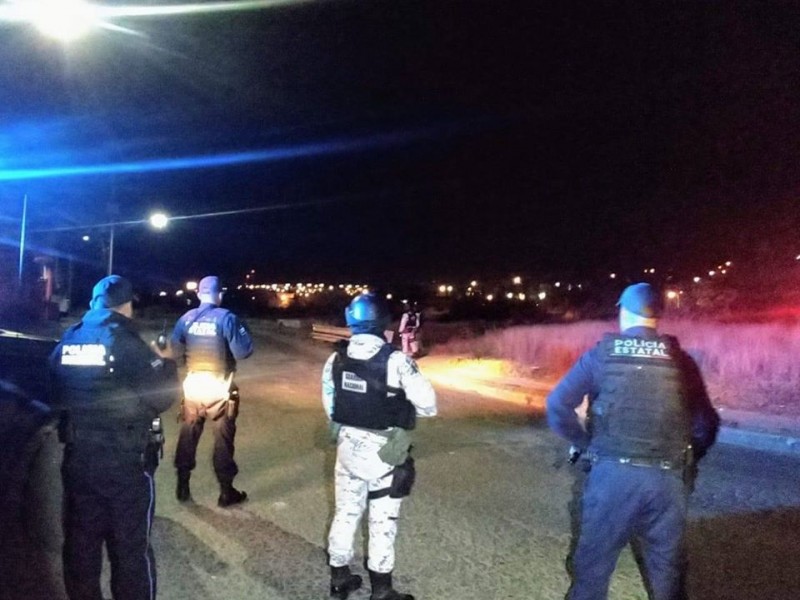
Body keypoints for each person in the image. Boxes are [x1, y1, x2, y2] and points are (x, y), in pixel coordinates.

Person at [546, 282, 720, 600]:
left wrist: (585, 444)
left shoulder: (601, 356)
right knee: (667, 573)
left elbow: (558, 406)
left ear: (624, 313)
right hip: (666, 480)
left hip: (612, 477)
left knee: (592, 571)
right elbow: (706, 424)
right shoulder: (680, 360)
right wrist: (688, 457)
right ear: (657, 316)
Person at [49, 275, 179, 600]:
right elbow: (163, 396)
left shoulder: (70, 338)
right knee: (130, 551)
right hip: (125, 465)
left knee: (81, 548)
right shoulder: (125, 341)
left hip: (79, 460)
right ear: (127, 305)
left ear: (94, 303)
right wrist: (167, 362)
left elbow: (55, 383)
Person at [322, 292, 437, 600]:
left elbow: (331, 406)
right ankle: (382, 591)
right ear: (383, 322)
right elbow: (428, 405)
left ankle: (339, 578)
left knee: (345, 513)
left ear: (350, 321)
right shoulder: (397, 361)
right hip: (384, 453)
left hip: (347, 448)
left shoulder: (336, 359)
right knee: (382, 521)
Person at [170, 275, 254, 507]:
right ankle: (226, 492)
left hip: (193, 386)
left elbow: (175, 353)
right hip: (219, 388)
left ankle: (183, 485)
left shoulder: (186, 318)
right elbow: (243, 352)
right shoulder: (227, 318)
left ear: (199, 294)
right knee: (223, 439)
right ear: (220, 295)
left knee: (188, 434)